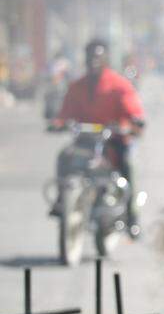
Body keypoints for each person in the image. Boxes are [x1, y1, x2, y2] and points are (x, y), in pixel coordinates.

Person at [51, 39, 146, 237]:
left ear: (106, 59)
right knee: (64, 157)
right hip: (85, 141)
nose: (94, 61)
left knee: (127, 165)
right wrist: (58, 123)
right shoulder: (77, 86)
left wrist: (133, 123)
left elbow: (133, 111)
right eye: (90, 57)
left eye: (98, 57)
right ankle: (62, 201)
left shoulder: (119, 85)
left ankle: (132, 217)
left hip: (113, 141)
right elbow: (65, 113)